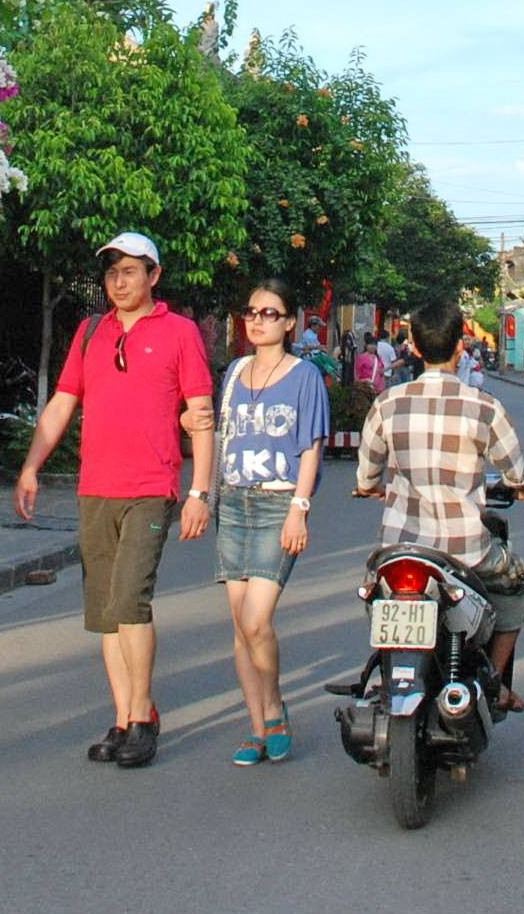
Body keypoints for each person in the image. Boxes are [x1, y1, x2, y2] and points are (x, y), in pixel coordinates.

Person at [15, 231, 215, 769]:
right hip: (94, 487)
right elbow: (62, 403)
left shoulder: (179, 332)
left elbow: (200, 415)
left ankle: (143, 718)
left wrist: (200, 491)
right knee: (105, 614)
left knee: (130, 601)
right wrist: (32, 465)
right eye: (111, 273)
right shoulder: (89, 332)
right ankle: (126, 715)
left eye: (130, 271)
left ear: (154, 275)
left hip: (151, 488)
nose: (119, 282)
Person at [355, 298, 524, 712]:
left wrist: (372, 488)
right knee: (518, 583)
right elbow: (515, 473)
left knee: (376, 593)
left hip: (399, 549)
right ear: (461, 344)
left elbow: (367, 474)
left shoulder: (387, 404)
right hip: (465, 551)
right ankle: (493, 681)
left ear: (414, 348)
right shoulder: (484, 407)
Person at [214, 277, 329, 765]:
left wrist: (299, 510)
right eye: (252, 312)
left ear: (288, 322)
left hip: (277, 505)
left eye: (270, 313)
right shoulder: (235, 373)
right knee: (241, 626)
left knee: (257, 620)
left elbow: (311, 446)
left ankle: (276, 707)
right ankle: (257, 726)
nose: (258, 320)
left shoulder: (304, 376)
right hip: (233, 504)